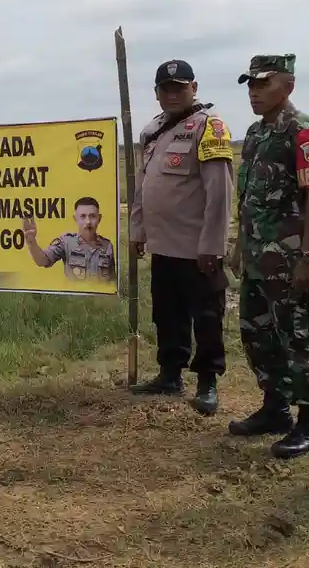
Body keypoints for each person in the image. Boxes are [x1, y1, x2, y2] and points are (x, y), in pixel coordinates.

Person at [227, 54, 309, 459]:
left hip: (289, 258)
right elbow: (249, 197)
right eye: (250, 84)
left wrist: (308, 256)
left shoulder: (302, 131)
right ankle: (275, 408)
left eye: (262, 84)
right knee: (258, 333)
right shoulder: (255, 134)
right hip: (257, 256)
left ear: (287, 86)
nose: (253, 91)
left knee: (297, 334)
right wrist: (239, 243)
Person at [126, 59, 234, 417]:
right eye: (165, 89)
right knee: (167, 312)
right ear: (157, 94)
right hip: (163, 244)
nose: (172, 94)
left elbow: (219, 193)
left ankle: (207, 382)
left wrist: (212, 245)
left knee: (206, 315)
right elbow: (144, 188)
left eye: (180, 87)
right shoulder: (153, 131)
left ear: (194, 88)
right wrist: (138, 230)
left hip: (196, 247)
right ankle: (170, 374)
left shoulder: (210, 129)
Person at [22, 197, 116, 283]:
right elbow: (42, 261)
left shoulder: (107, 246)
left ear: (99, 219)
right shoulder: (66, 242)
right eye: (83, 216)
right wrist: (31, 241)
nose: (88, 222)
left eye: (92, 216)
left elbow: (112, 282)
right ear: (75, 219)